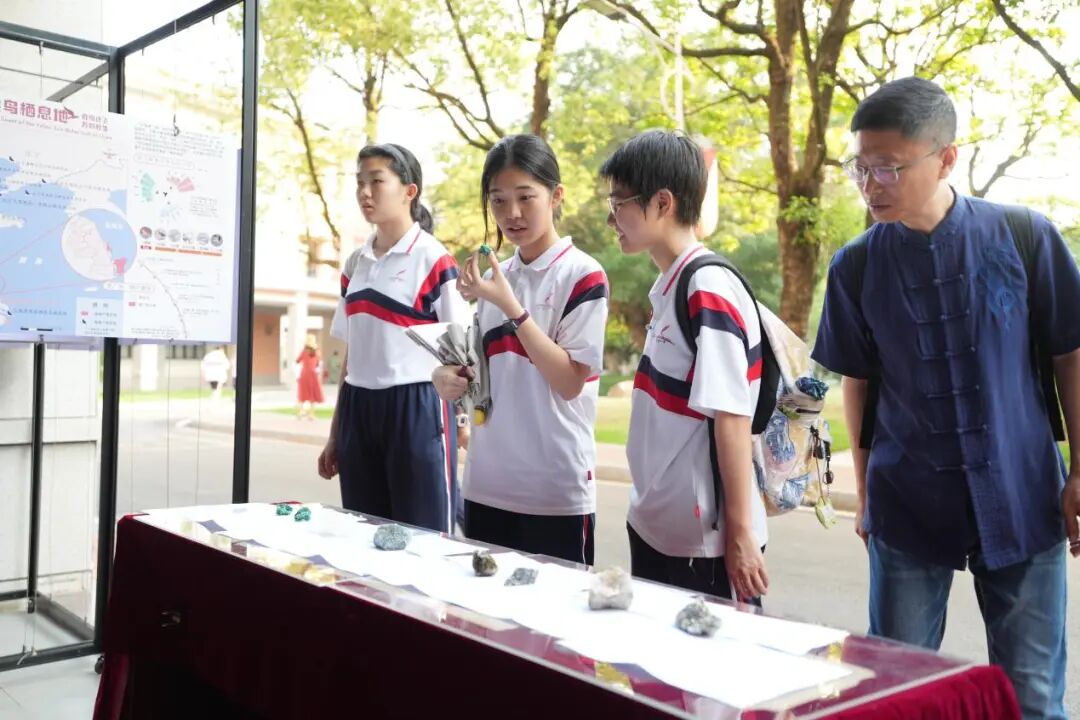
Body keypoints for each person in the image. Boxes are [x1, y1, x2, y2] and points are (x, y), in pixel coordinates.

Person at [812, 77, 1080, 719]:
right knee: (896, 694)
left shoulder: (1026, 237)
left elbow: (1071, 354)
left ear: (946, 158)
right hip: (908, 503)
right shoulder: (855, 266)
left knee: (1032, 698)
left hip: (1024, 494)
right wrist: (866, 492)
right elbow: (859, 381)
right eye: (860, 167)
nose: (870, 184)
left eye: (887, 167)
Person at [600, 129, 768, 603]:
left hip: (704, 545)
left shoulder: (706, 287)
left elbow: (732, 417)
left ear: (663, 202)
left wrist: (739, 534)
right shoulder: (672, 285)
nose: (611, 218)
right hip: (661, 527)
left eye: (619, 203)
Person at [432, 134, 608, 565]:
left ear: (556, 196)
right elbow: (484, 377)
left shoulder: (582, 275)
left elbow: (569, 382)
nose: (511, 213)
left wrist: (511, 306)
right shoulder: (494, 278)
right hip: (486, 486)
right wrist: (448, 379)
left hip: (554, 493)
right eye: (498, 200)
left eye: (526, 197)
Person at [318, 143, 469, 534]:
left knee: (425, 537)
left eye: (377, 181)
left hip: (417, 407)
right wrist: (336, 434)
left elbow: (461, 353)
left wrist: (463, 421)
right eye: (359, 183)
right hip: (359, 409)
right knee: (365, 534)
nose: (365, 192)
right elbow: (352, 355)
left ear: (409, 191)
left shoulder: (434, 260)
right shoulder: (355, 264)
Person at [295, 335, 324, 420]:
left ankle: (301, 412)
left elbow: (297, 361)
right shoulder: (316, 351)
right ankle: (311, 414)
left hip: (304, 374)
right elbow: (318, 363)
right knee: (312, 394)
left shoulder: (304, 351)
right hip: (313, 375)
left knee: (303, 393)